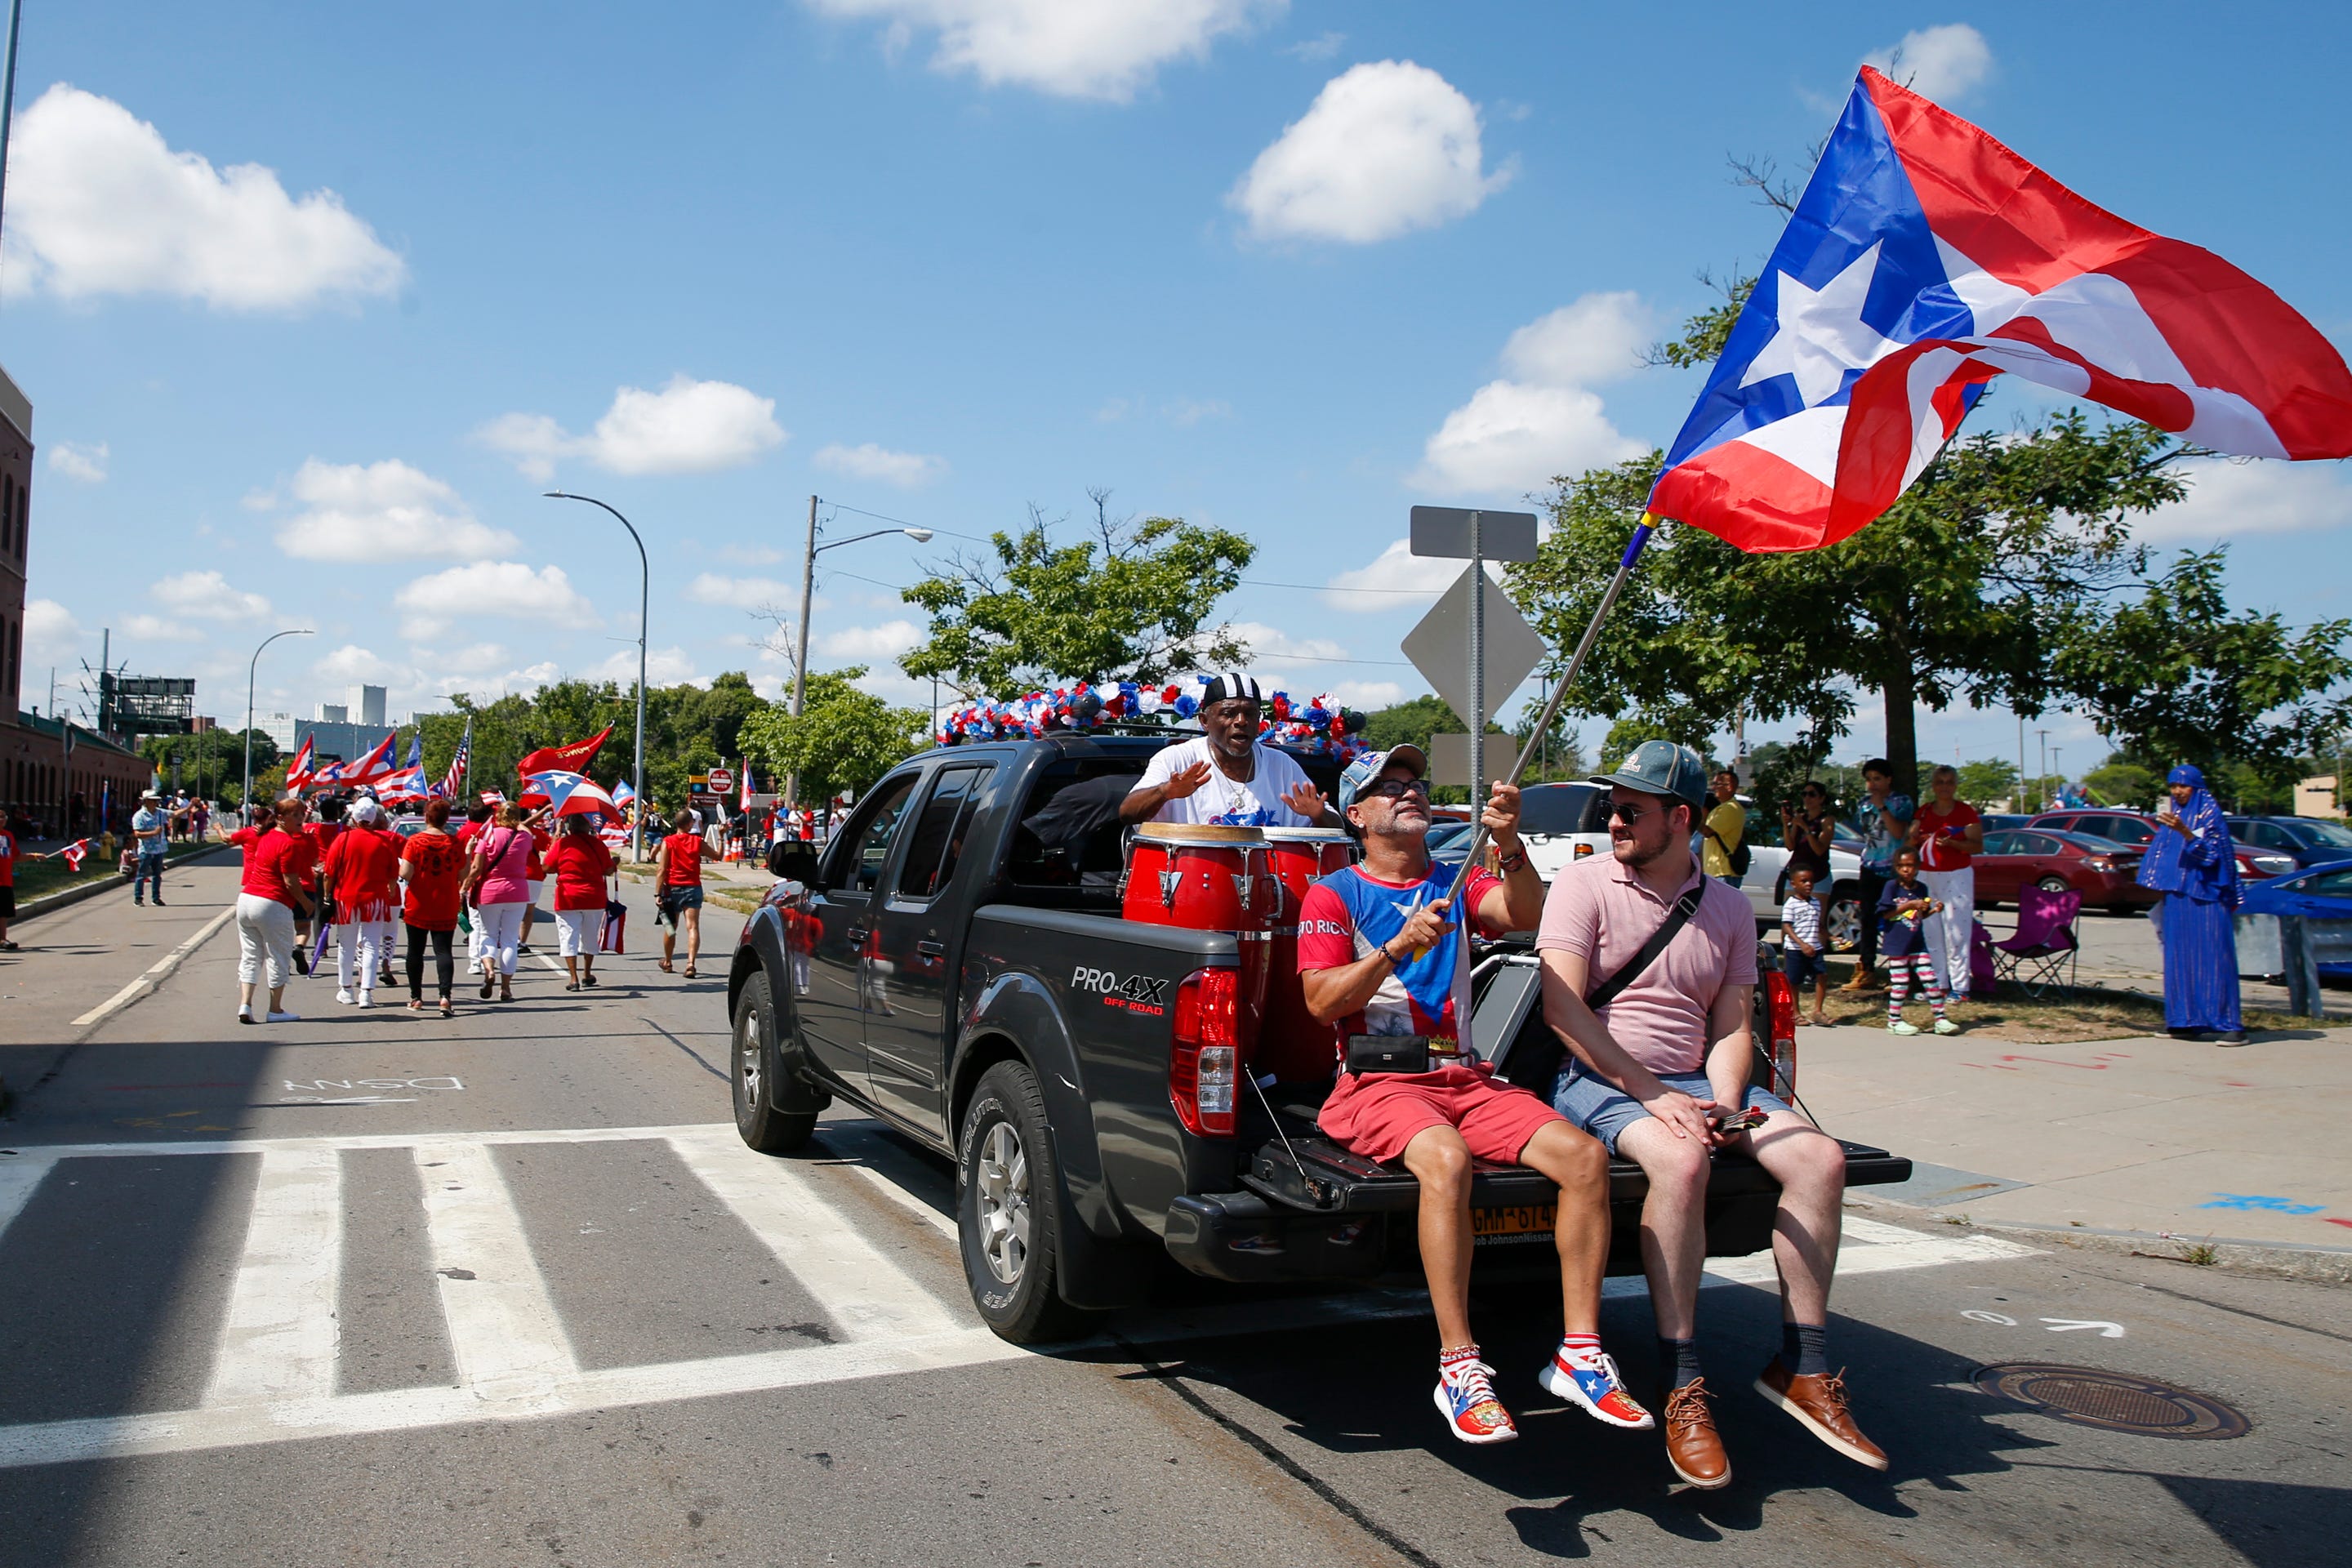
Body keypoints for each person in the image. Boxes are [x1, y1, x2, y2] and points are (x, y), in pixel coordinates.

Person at [1539, 739, 1883, 1490]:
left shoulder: (1727, 906)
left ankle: (1805, 1364)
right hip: (1600, 1078)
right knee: (1681, 1159)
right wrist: (1651, 1094)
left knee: (1821, 1158)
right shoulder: (1583, 883)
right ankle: (1683, 1387)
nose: (1615, 820)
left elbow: (1731, 1022)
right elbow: (1562, 1008)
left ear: (1681, 819)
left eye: (1630, 810)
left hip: (1699, 1080)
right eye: (1611, 808)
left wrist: (1726, 1105)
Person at [1298, 743, 1648, 1447]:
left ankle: (1579, 1352)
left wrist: (1510, 842)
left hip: (1465, 1073)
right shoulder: (1334, 892)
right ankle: (1459, 1365)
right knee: (1447, 1161)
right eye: (1388, 787)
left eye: (1415, 782)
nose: (1410, 792)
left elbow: (1523, 914)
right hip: (1378, 1080)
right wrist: (1396, 948)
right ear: (1357, 815)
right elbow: (1320, 1003)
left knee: (1583, 1160)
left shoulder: (1453, 882)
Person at [1121, 673, 1340, 828]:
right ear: (1205, 721)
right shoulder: (1177, 759)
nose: (1241, 721)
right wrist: (1164, 792)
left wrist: (1318, 815)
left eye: (1250, 713)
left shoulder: (1282, 765)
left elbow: (1337, 827)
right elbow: (1127, 813)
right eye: (1229, 713)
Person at [2140, 764, 2245, 1045]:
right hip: (2178, 897)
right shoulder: (2175, 816)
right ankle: (2184, 1021)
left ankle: (2229, 1024)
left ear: (2196, 787)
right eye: (2173, 786)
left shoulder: (2211, 815)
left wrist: (2187, 834)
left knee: (2213, 960)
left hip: (2207, 897)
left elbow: (2214, 857)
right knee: (2179, 960)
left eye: (2183, 786)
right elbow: (2164, 856)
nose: (2178, 791)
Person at [232, 798, 314, 1024]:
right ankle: (275, 1010)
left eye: (301, 814)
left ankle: (245, 1005)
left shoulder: (267, 837)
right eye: (295, 815)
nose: (300, 819)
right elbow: (290, 881)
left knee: (251, 956)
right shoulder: (288, 843)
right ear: (280, 818)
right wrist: (305, 903)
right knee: (278, 956)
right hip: (271, 903)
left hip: (247, 900)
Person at [1909, 764, 1983, 1002]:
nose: (1944, 787)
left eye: (1949, 782)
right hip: (1928, 875)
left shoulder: (1965, 813)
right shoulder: (1924, 812)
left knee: (1957, 932)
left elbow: (1977, 845)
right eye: (1940, 782)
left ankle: (1960, 987)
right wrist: (1917, 839)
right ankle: (1938, 984)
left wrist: (1954, 844)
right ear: (1933, 785)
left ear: (1955, 785)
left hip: (1956, 875)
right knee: (1932, 931)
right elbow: (1911, 840)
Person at [323, 799, 403, 1007]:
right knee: (371, 946)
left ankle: (346, 989)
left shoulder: (343, 839)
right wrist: (390, 890)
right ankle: (366, 993)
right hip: (375, 899)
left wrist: (326, 896)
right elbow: (393, 873)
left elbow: (329, 873)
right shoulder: (383, 842)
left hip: (346, 898)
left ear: (354, 817)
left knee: (346, 946)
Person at [1840, 759, 1912, 992]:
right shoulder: (1863, 804)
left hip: (1892, 868)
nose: (1872, 784)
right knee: (1868, 919)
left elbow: (1898, 831)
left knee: (1896, 918)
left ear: (1888, 779)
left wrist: (1882, 806)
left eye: (1877, 779)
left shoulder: (1901, 802)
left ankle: (1899, 972)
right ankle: (1866, 970)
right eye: (1869, 779)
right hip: (1870, 865)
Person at [1878, 848, 1957, 1036]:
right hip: (1897, 943)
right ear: (1896, 868)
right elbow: (1886, 914)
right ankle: (1894, 1021)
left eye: (1910, 866)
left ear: (1918, 867)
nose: (1906, 870)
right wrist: (1909, 905)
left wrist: (1933, 910)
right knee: (1901, 983)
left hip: (1916, 942)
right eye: (1902, 866)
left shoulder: (1921, 888)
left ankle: (1940, 1019)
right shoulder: (1891, 887)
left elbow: (1918, 916)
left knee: (1930, 979)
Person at [461, 804, 535, 1002]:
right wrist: (520, 823)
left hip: (490, 892)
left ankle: (489, 970)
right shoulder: (524, 837)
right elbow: (527, 830)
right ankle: (506, 987)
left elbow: (477, 867)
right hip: (517, 892)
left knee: (488, 935)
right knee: (510, 939)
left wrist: (465, 886)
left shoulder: (489, 836)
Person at [401, 799, 465, 1016]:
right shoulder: (455, 844)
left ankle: (416, 997)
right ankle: (445, 997)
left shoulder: (415, 841)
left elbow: (405, 873)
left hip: (419, 903)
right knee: (444, 951)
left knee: (415, 951)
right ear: (447, 819)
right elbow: (462, 874)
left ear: (426, 817)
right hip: (446, 903)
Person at [545, 814, 617, 990]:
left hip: (567, 897)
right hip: (594, 897)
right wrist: (615, 863)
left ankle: (573, 978)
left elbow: (546, 867)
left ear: (570, 827)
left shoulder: (562, 844)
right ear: (588, 827)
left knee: (569, 936)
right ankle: (587, 973)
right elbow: (608, 870)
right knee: (590, 936)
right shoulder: (598, 844)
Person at [655, 808, 706, 978]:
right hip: (693, 887)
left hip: (672, 889)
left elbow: (662, 870)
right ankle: (691, 964)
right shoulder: (697, 841)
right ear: (690, 823)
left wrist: (657, 893)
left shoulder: (668, 842)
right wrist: (721, 837)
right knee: (692, 927)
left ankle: (668, 961)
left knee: (671, 927)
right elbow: (718, 855)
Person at [1782, 866, 1834, 1027]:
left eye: (1811, 881)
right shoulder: (1791, 904)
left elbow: (1819, 925)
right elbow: (1786, 927)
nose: (1808, 884)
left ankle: (1818, 1011)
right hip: (1796, 949)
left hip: (1815, 947)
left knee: (1822, 975)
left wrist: (1832, 938)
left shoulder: (1816, 903)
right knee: (1794, 981)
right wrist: (1802, 944)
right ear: (1794, 884)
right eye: (1804, 881)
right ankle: (1795, 1013)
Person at [1775, 781, 1834, 906]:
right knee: (1790, 919)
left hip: (1818, 876)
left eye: (1812, 794)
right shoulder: (1801, 818)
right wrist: (1786, 825)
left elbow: (1819, 850)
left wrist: (1805, 828)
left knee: (1816, 920)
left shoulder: (1826, 820)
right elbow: (1790, 846)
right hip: (1795, 874)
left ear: (1821, 798)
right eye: (1804, 794)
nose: (1807, 798)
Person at [1699, 769, 1745, 884]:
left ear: (1729, 786)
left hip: (1723, 872)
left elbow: (1707, 832)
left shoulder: (1730, 809)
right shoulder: (1721, 808)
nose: (1714, 788)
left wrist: (1691, 815)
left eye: (1717, 784)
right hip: (1716, 872)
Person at [519, 812, 553, 954]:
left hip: (516, 875)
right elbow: (552, 849)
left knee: (512, 910)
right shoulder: (538, 833)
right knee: (529, 912)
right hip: (534, 875)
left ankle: (511, 940)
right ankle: (522, 942)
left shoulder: (511, 831)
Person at [131, 790, 169, 906]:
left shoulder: (160, 813)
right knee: (142, 874)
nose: (156, 803)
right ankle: (138, 898)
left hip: (159, 849)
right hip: (146, 850)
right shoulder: (139, 816)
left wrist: (190, 806)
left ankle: (156, 898)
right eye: (153, 801)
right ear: (146, 801)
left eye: (157, 801)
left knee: (157, 874)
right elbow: (137, 834)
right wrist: (154, 833)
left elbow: (175, 814)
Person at [0, 809, 18, 952]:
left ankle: (2, 939)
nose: (1, 820)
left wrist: (35, 855)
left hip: (5, 880)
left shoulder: (8, 836)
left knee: (3, 912)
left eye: (3, 817)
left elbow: (16, 856)